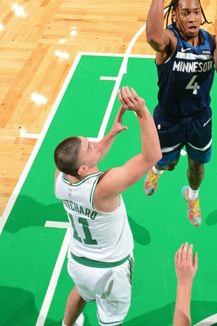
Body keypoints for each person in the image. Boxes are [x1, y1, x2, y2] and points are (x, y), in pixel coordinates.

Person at [53, 86, 161, 326]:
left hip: (78, 262)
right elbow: (151, 156)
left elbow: (81, 160)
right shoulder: (103, 188)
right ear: (82, 169)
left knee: (81, 292)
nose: (94, 143)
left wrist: (110, 135)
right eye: (89, 146)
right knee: (110, 320)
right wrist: (142, 111)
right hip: (111, 271)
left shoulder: (60, 180)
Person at [142, 0, 217, 227]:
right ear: (175, 16)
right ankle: (156, 171)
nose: (192, 17)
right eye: (186, 13)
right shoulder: (170, 40)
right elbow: (152, 37)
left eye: (196, 12)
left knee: (197, 167)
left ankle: (192, 196)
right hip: (169, 120)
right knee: (167, 162)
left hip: (199, 120)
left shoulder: (210, 41)